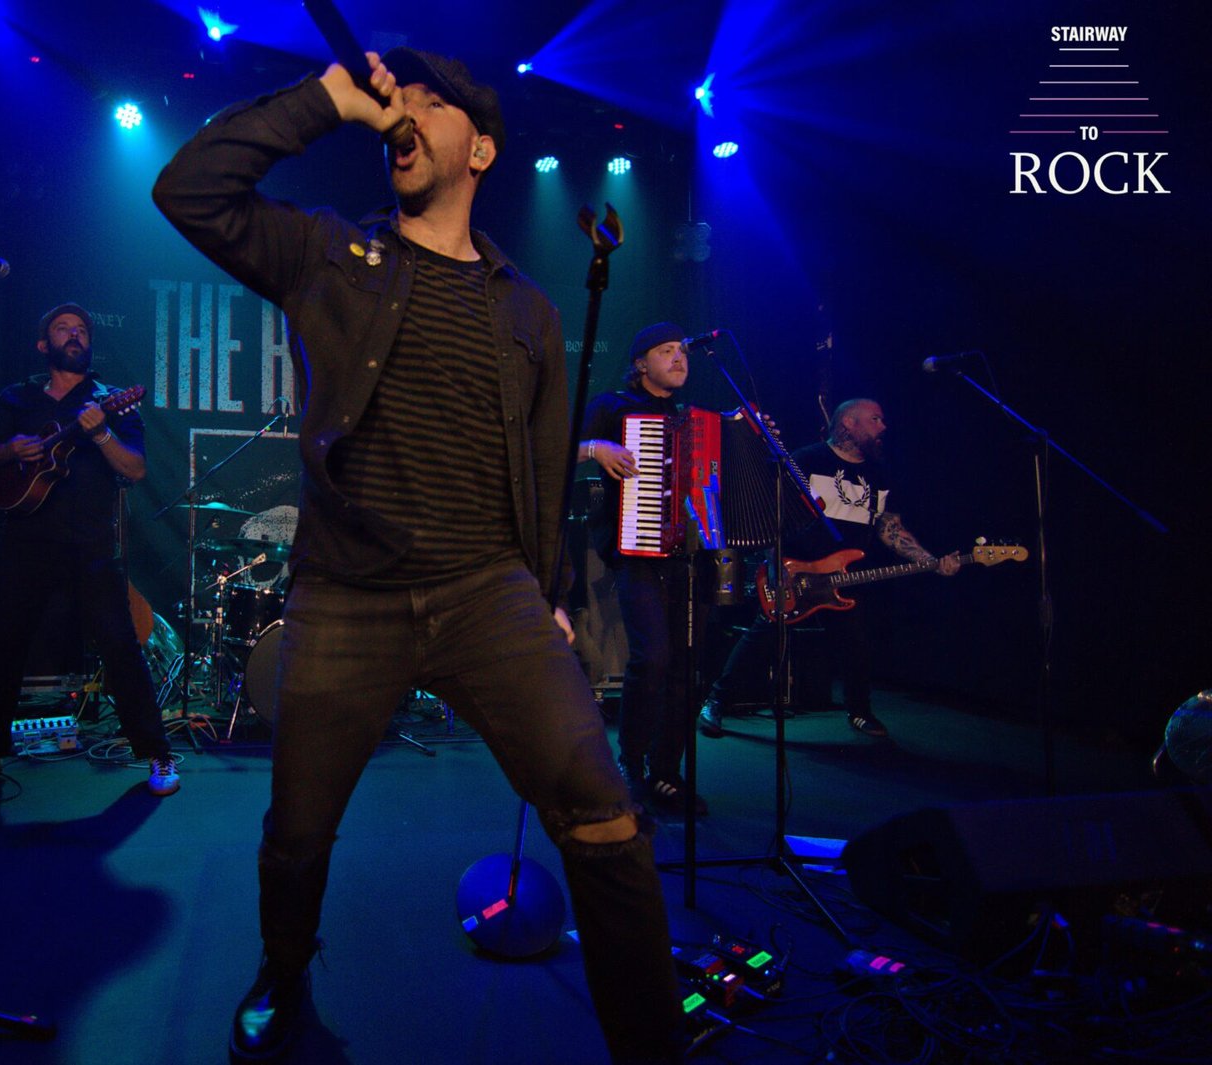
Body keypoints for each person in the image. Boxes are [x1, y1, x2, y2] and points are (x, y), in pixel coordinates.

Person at [154, 49, 688, 1064]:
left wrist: (548, 592)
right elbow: (190, 190)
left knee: (603, 813)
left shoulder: (528, 309)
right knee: (297, 832)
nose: (401, 112)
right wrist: (323, 102)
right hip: (346, 596)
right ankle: (283, 973)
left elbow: (541, 471)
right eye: (395, 100)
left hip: (489, 594)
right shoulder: (329, 255)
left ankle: (651, 1042)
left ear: (479, 149)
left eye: (428, 103)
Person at [0, 303, 178, 797]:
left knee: (120, 646)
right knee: (2, 646)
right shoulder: (18, 397)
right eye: (63, 328)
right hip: (26, 539)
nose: (75, 334)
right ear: (44, 345)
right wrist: (10, 450)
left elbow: (134, 469)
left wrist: (101, 432)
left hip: (92, 542)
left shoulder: (111, 401)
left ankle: (157, 753)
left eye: (82, 329)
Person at [698, 398, 960, 740]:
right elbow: (770, 515)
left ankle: (860, 711)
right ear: (849, 422)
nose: (883, 426)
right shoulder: (806, 460)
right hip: (797, 572)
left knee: (856, 644)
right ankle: (716, 701)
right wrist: (776, 564)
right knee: (762, 638)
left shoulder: (879, 473)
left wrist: (929, 560)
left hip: (846, 577)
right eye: (875, 419)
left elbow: (890, 529)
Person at [579, 323, 711, 816]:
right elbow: (551, 448)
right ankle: (631, 762)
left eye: (683, 351)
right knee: (653, 658)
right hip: (636, 552)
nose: (679, 358)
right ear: (640, 363)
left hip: (690, 557)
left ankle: (666, 770)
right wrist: (597, 448)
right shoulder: (614, 406)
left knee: (688, 668)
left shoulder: (694, 418)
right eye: (666, 351)